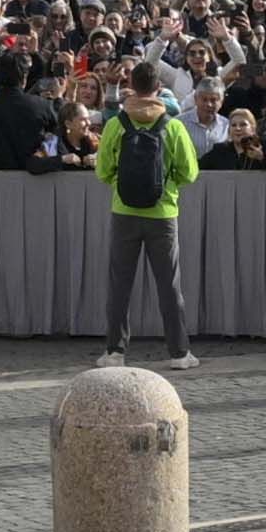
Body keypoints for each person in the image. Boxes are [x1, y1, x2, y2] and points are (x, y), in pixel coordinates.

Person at [94, 66, 200, 364]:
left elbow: (102, 171)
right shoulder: (173, 125)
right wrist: (168, 184)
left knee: (120, 284)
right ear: (159, 87)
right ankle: (179, 352)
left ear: (131, 85)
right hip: (163, 214)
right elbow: (190, 173)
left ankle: (115, 351)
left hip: (123, 212)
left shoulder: (116, 124)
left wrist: (120, 182)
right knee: (169, 285)